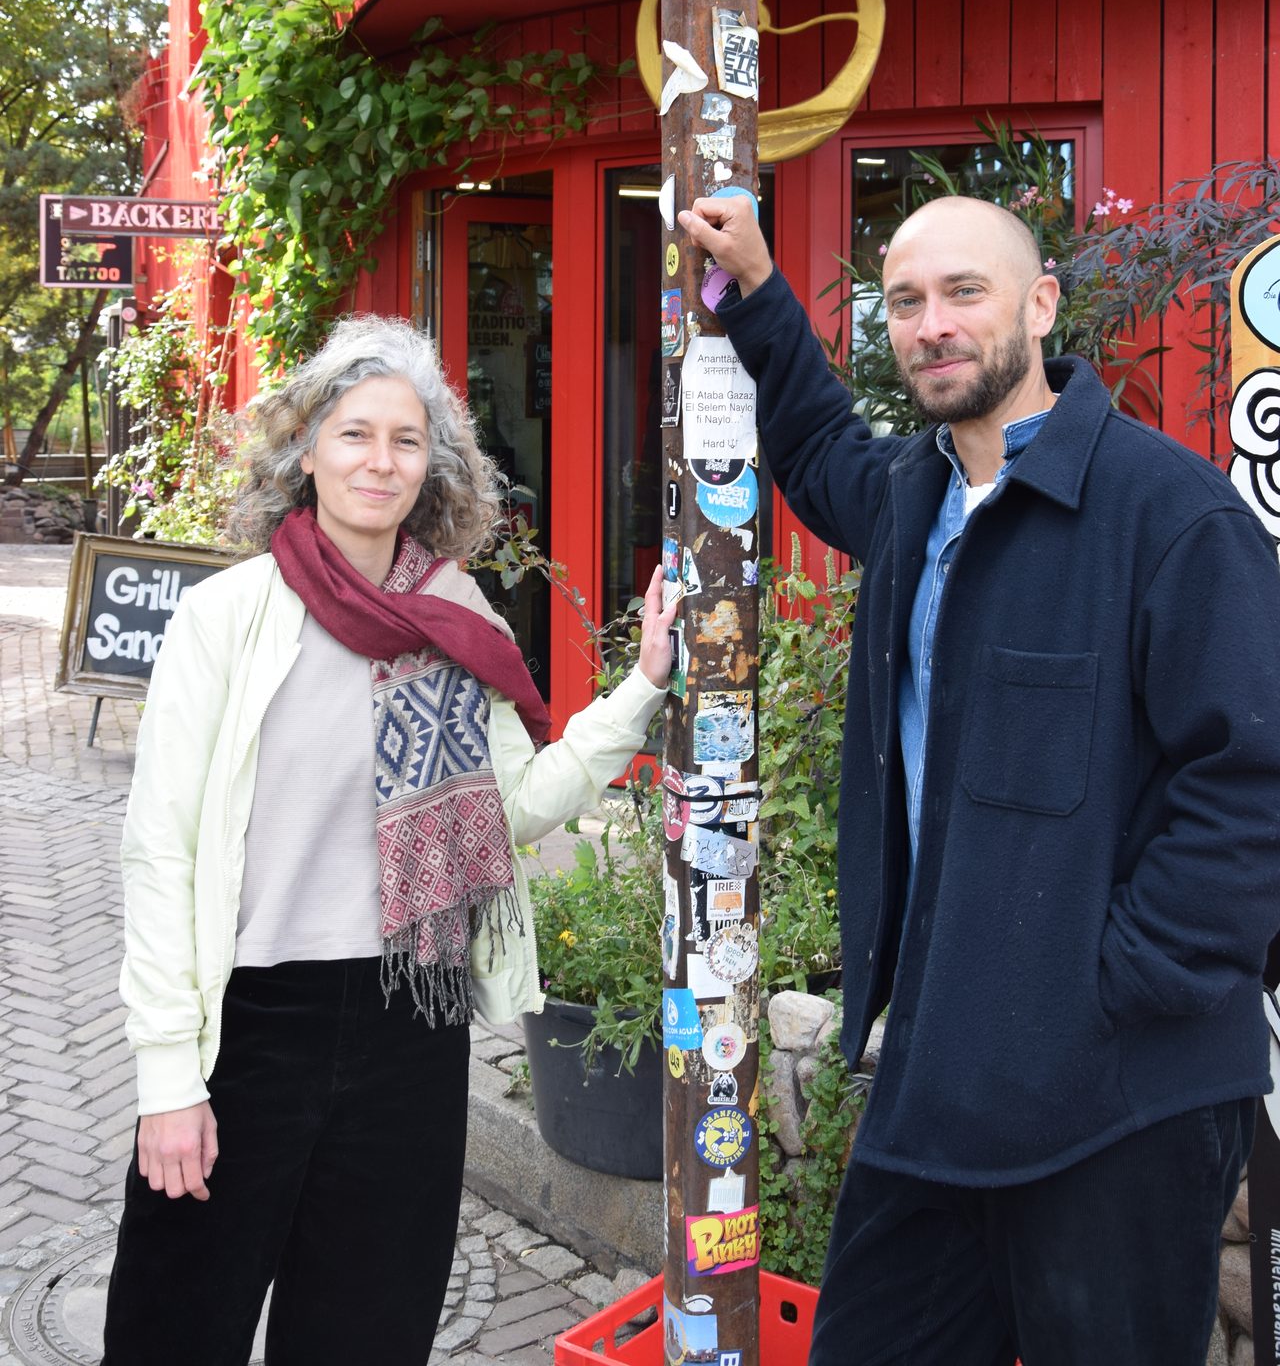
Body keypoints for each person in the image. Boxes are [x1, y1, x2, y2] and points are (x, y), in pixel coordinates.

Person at [678, 190, 1280, 1366]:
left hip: (1122, 1098)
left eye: (963, 292)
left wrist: (1115, 981)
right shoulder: (914, 497)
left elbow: (1251, 787)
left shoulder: (1173, 519)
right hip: (942, 1072)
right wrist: (753, 288)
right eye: (905, 302)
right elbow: (810, 444)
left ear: (1039, 305)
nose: (930, 325)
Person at [102, 315, 675, 1366]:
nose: (379, 459)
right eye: (354, 433)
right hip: (249, 1021)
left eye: (406, 440)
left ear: (434, 465)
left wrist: (638, 689)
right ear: (305, 449)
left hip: (409, 1018)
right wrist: (166, 1082)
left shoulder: (456, 617)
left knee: (367, 1332)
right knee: (173, 1326)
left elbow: (519, 806)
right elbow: (162, 853)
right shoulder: (225, 617)